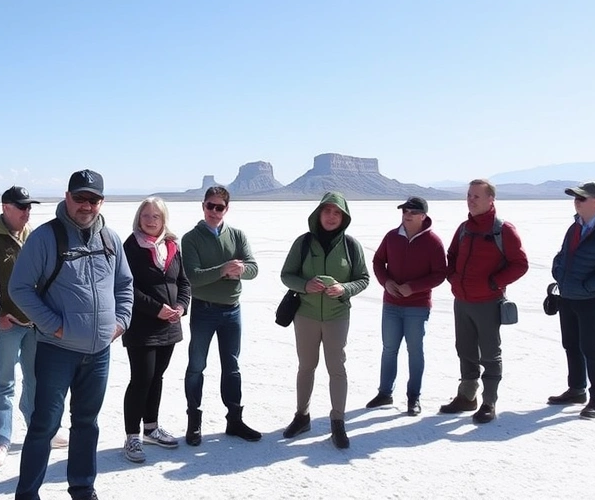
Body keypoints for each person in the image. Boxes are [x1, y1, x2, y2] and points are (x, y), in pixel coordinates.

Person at [10, 169, 133, 500]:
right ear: (67, 197)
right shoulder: (46, 237)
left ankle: (82, 488)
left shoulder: (110, 239)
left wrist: (120, 321)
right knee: (44, 426)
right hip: (57, 349)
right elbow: (19, 288)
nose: (86, 205)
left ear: (101, 202)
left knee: (87, 423)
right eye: (80, 198)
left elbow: (125, 285)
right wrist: (54, 325)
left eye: (93, 199)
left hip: (98, 353)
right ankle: (28, 494)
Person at [0, 186, 69, 469]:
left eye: (29, 206)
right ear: (6, 207)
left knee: (35, 380)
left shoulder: (35, 237)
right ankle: (0, 440)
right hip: (8, 324)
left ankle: (38, 430)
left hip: (36, 324)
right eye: (21, 207)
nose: (26, 211)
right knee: (4, 381)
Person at [279, 192, 370, 449]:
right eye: (327, 211)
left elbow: (363, 278)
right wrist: (305, 285)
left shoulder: (351, 246)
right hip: (306, 315)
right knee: (306, 366)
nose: (331, 217)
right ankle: (302, 416)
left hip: (336, 316)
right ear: (318, 214)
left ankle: (338, 423)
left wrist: (344, 289)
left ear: (344, 217)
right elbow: (287, 275)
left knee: (336, 368)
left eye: (337, 212)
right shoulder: (304, 243)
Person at [439, 179, 528, 424]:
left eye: (476, 196)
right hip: (463, 300)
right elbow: (451, 256)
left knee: (489, 353)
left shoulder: (503, 230)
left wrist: (494, 283)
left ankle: (489, 402)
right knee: (465, 350)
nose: (471, 200)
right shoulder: (464, 228)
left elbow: (520, 264)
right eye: (469, 195)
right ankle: (467, 397)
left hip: (488, 302)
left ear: (491, 200)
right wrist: (453, 278)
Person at [182, 186, 261, 446]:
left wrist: (237, 271)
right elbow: (193, 277)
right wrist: (224, 269)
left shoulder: (237, 236)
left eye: (219, 207)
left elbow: (253, 269)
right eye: (210, 206)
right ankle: (194, 421)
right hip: (204, 310)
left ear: (227, 209)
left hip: (231, 310)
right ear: (202, 206)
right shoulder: (191, 238)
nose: (214, 212)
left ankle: (234, 420)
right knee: (197, 366)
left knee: (232, 366)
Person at [121, 197, 191, 463]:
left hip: (169, 324)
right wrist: (155, 308)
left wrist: (181, 307)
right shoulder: (131, 247)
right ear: (139, 218)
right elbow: (127, 287)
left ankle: (151, 427)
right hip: (141, 325)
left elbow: (183, 282)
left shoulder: (172, 246)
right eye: (146, 215)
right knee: (141, 378)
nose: (150, 221)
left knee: (157, 377)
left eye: (156, 216)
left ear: (164, 220)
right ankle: (132, 436)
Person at [366, 197, 447, 416]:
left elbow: (440, 274)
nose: (407, 215)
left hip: (417, 307)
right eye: (404, 211)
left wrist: (414, 288)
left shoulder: (433, 242)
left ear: (423, 216)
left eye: (412, 212)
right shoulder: (392, 237)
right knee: (389, 350)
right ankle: (385, 393)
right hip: (391, 304)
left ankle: (414, 397)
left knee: (415, 351)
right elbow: (377, 262)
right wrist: (386, 282)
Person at [548, 181, 595, 419]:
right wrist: (557, 270)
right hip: (568, 296)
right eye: (575, 198)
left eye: (582, 198)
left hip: (591, 299)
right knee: (571, 344)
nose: (576, 202)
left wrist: (589, 285)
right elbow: (562, 254)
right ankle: (577, 389)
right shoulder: (575, 226)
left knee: (590, 347)